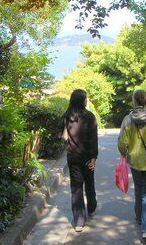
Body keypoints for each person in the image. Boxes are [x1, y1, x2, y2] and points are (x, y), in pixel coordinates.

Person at [117, 89, 146, 243]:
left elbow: (123, 142)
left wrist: (124, 152)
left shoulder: (128, 120)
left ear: (134, 101)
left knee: (140, 189)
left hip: (135, 161)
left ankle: (139, 216)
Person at [61, 89, 98, 232]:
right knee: (89, 182)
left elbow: (58, 133)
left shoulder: (67, 116)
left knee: (76, 187)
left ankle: (79, 221)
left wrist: (67, 143)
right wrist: (94, 157)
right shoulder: (90, 116)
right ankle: (91, 206)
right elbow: (94, 139)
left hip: (73, 157)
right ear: (83, 100)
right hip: (88, 156)